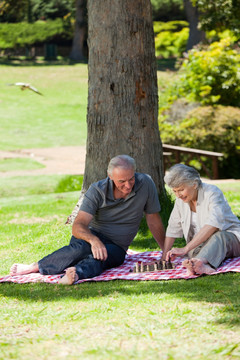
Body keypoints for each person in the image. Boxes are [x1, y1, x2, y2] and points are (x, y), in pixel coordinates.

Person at [10, 155, 165, 284]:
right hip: (90, 239)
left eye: (131, 179)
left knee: (100, 257)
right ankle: (36, 266)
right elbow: (78, 226)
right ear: (110, 177)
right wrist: (94, 240)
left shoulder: (145, 183)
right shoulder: (97, 190)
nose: (128, 185)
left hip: (117, 247)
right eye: (121, 182)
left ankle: (75, 274)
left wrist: (165, 250)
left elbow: (153, 219)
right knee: (81, 249)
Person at [161, 163, 240, 276]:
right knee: (191, 251)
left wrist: (185, 248)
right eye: (174, 191)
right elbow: (173, 228)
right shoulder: (180, 201)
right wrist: (164, 258)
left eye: (181, 190)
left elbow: (213, 225)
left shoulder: (212, 192)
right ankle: (199, 265)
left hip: (231, 239)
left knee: (219, 236)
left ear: (194, 184)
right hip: (205, 244)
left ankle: (199, 262)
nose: (178, 195)